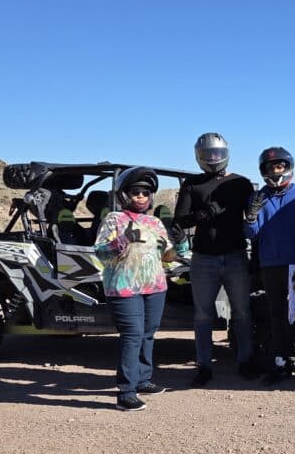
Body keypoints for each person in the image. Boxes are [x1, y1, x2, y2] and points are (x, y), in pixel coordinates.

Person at [174, 132, 260, 387]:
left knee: (242, 313)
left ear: (225, 154)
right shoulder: (192, 184)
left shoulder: (241, 183)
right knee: (202, 315)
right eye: (208, 155)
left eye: (217, 154)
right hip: (203, 258)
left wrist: (254, 213)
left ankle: (245, 361)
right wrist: (204, 214)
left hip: (235, 255)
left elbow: (252, 218)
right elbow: (180, 221)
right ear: (199, 156)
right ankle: (204, 365)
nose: (213, 159)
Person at [94, 166, 179, 411]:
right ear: (124, 195)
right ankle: (126, 391)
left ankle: (142, 379)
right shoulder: (113, 220)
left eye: (145, 192)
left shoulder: (155, 223)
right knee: (132, 335)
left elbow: (167, 257)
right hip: (124, 288)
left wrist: (179, 245)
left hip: (154, 287)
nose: (140, 196)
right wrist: (122, 241)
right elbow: (100, 253)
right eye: (135, 192)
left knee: (148, 333)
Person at [243, 146, 295, 386]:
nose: (276, 171)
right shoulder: (258, 198)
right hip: (270, 265)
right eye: (271, 167)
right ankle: (281, 362)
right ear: (264, 171)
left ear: (287, 167)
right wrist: (251, 217)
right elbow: (252, 234)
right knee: (276, 315)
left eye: (279, 166)